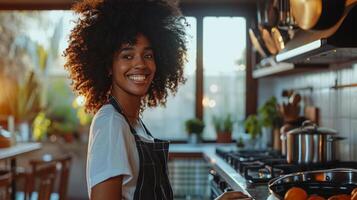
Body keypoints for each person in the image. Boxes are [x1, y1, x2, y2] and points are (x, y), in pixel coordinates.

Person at [64, 0, 251, 199]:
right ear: (108, 66)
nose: (140, 64)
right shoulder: (111, 123)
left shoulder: (134, 123)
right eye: (127, 56)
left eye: (148, 55)